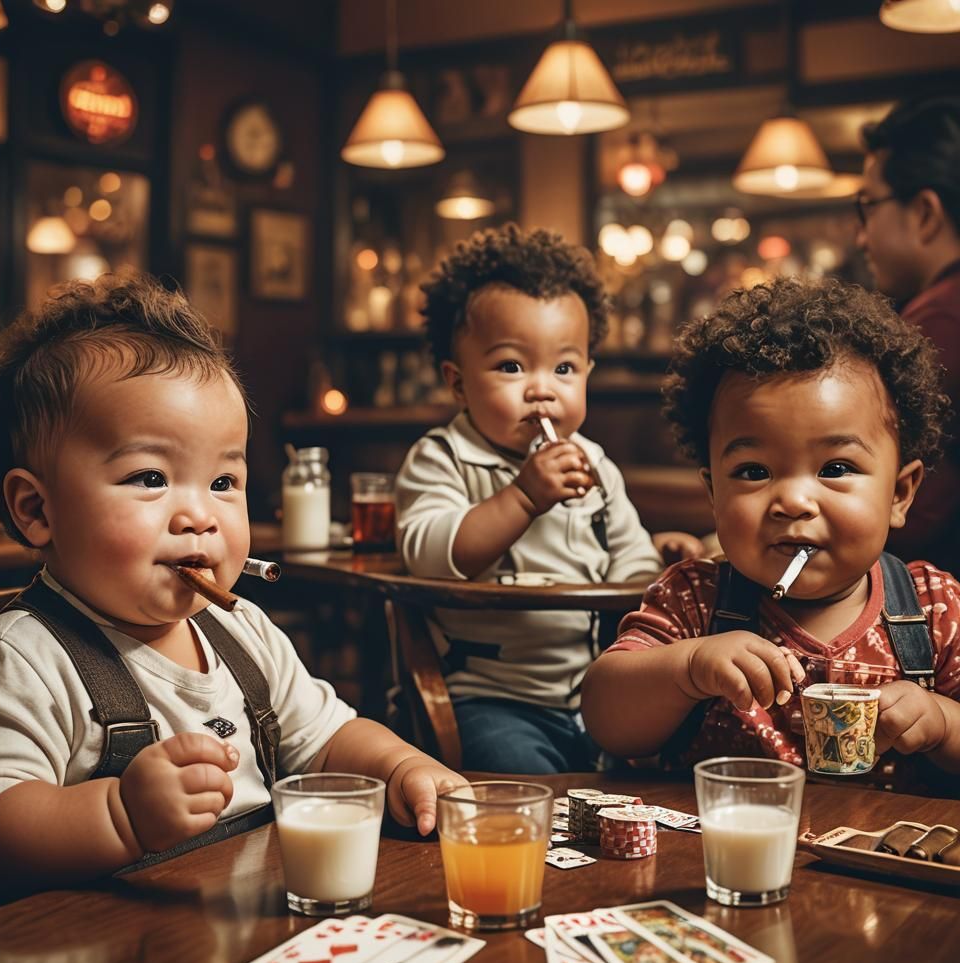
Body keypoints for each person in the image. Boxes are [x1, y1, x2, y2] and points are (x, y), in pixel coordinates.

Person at [0, 272, 465, 909]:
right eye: (150, 478)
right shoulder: (20, 660)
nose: (199, 516)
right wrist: (120, 815)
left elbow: (329, 741)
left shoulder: (244, 633)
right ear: (37, 509)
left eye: (222, 483)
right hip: (96, 953)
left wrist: (403, 765)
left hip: (242, 931)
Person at [581, 277, 960, 794]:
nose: (794, 501)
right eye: (754, 471)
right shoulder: (695, 600)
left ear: (899, 493)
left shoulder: (934, 611)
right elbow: (606, 718)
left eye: (835, 467)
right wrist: (689, 668)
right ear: (714, 494)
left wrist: (940, 723)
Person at [395, 224, 704, 774]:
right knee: (532, 786)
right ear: (458, 382)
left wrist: (660, 561)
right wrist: (523, 496)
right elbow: (430, 554)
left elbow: (631, 571)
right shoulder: (443, 457)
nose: (541, 388)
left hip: (592, 692)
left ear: (588, 372)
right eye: (511, 366)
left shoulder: (594, 464)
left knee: (642, 783)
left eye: (564, 368)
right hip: (487, 696)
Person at [857, 96, 960, 577]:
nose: (862, 237)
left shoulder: (939, 323)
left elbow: (910, 519)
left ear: (924, 212)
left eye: (868, 207)